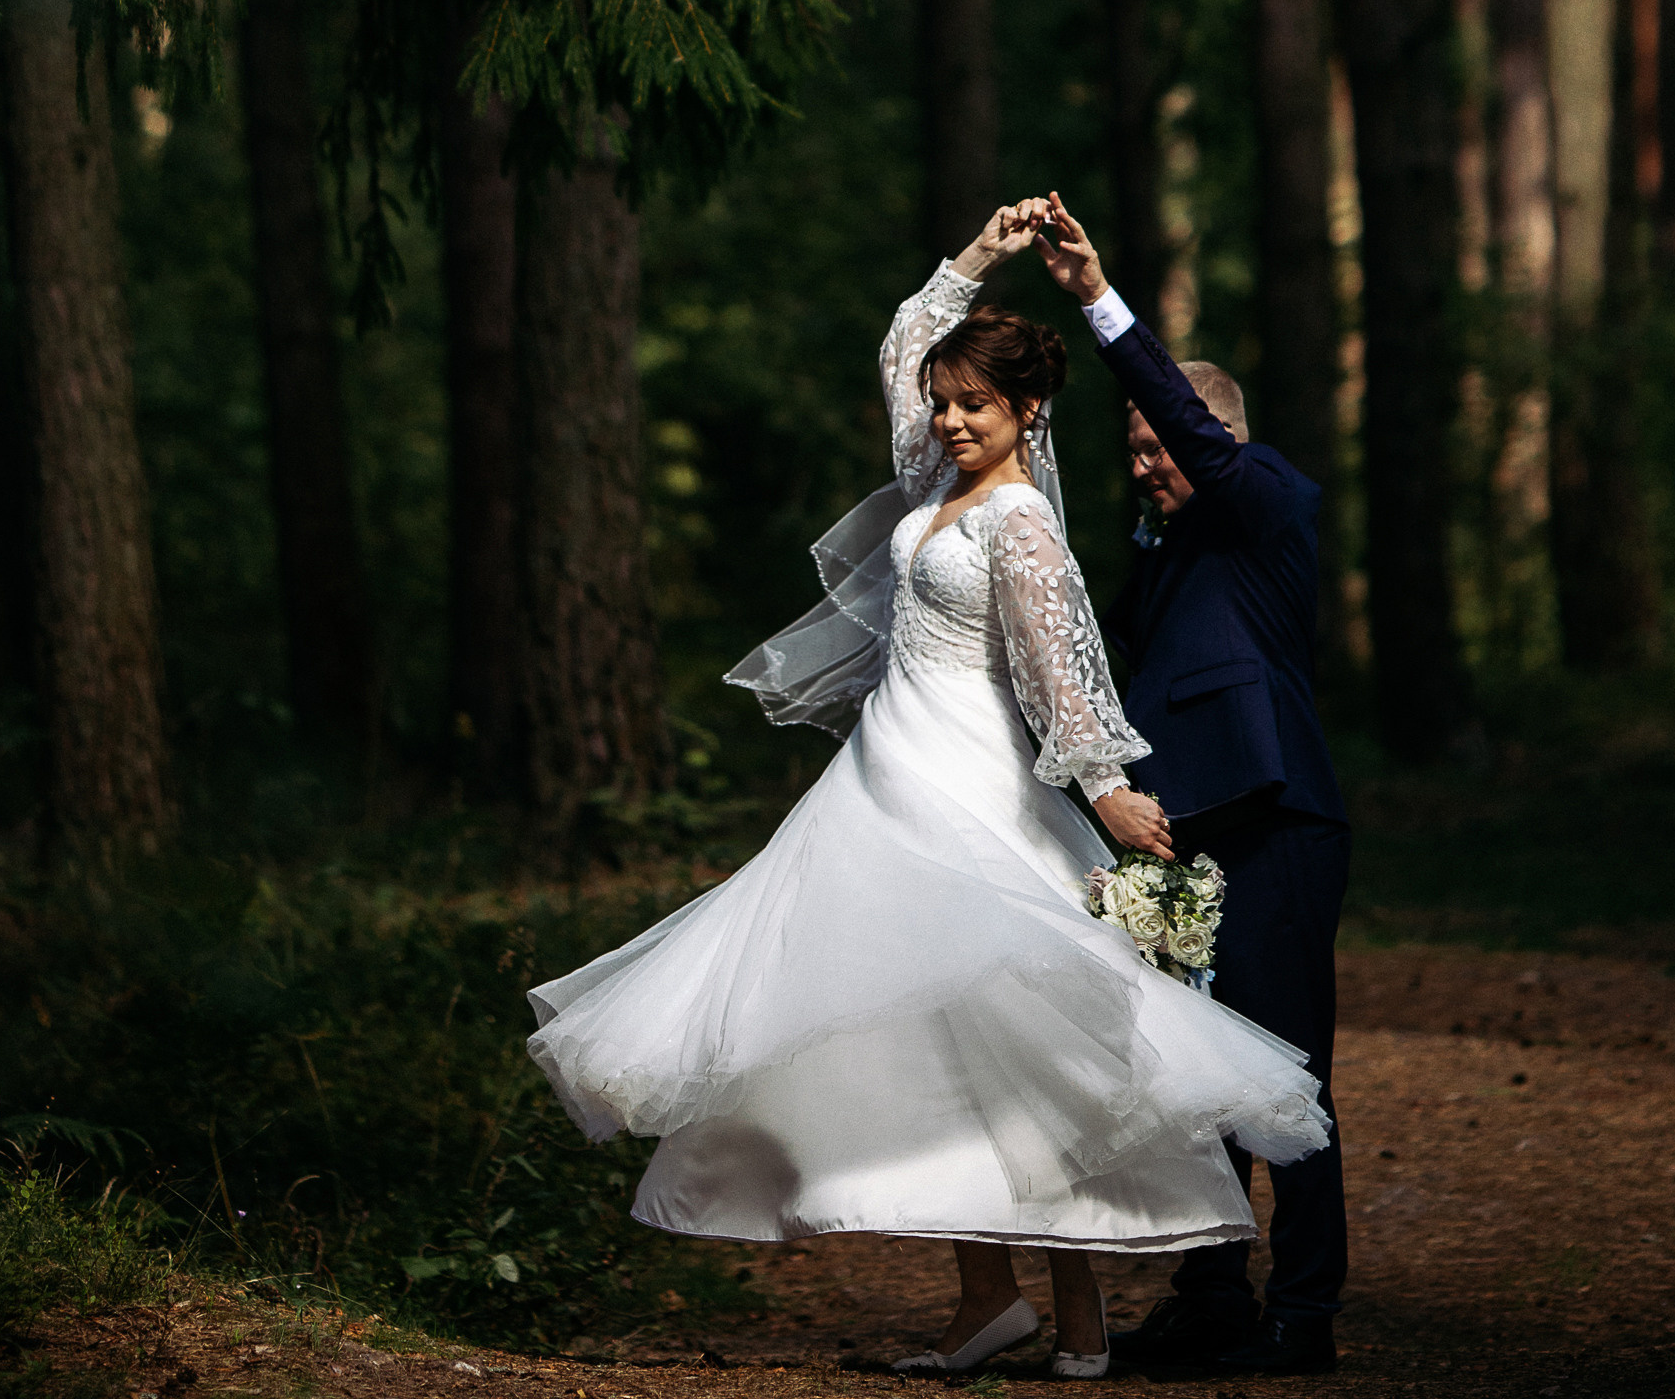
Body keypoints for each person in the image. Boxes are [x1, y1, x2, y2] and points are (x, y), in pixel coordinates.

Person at [526, 208, 1330, 1382]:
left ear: (1026, 417)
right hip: (884, 775)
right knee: (936, 1042)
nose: (947, 421)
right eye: (945, 406)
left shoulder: (1022, 525)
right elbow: (907, 347)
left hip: (972, 788)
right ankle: (987, 1301)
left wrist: (1105, 792)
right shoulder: (935, 482)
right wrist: (975, 259)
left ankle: (1079, 1308)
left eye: (974, 408)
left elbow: (1060, 677)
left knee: (1019, 1047)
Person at [1028, 195, 1349, 1382]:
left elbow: (1190, 428)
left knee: (1283, 1073)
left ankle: (1304, 1311)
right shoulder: (1164, 561)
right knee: (1194, 1076)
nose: (1144, 462)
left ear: (1214, 439)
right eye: (1133, 449)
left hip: (1277, 829)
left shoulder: (1264, 505)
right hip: (1177, 844)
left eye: (1159, 443)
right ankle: (1213, 1289)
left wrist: (1094, 300)